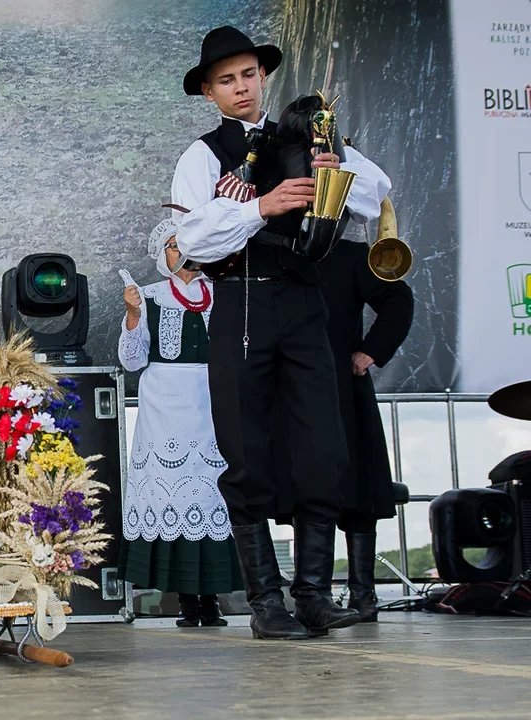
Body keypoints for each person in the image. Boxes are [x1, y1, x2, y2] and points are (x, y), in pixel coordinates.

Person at [171, 26, 392, 639]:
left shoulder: (308, 132)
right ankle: (266, 604)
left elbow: (377, 196)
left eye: (247, 75)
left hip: (305, 305)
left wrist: (336, 164)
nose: (240, 88)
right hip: (240, 307)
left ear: (262, 76)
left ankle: (314, 595)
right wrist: (259, 207)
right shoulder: (202, 154)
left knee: (324, 449)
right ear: (209, 92)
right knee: (246, 456)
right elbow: (191, 241)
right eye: (225, 81)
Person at [273, 238, 414, 621]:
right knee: (305, 488)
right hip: (293, 387)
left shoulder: (352, 255)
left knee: (358, 487)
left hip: (342, 382)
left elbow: (397, 299)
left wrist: (372, 350)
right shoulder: (279, 252)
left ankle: (363, 594)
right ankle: (313, 597)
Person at [118, 217, 242, 627]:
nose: (181, 251)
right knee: (175, 499)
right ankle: (188, 601)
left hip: (214, 404)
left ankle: (213, 599)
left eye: (186, 243)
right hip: (166, 411)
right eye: (172, 245)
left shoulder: (225, 295)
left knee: (213, 496)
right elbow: (132, 361)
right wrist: (134, 315)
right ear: (162, 256)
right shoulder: (148, 297)